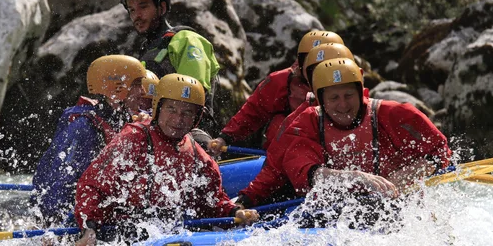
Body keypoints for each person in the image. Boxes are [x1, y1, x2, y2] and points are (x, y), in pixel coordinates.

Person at [235, 58, 451, 212]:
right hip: (338, 210)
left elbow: (441, 153)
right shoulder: (305, 123)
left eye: (349, 95)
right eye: (334, 98)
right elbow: (306, 173)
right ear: (320, 99)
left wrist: (402, 178)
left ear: (360, 92)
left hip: (399, 201)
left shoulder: (397, 114)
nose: (343, 105)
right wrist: (356, 178)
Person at [74, 74, 259, 245]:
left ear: (196, 118)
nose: (178, 119)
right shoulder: (133, 139)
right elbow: (91, 185)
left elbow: (213, 201)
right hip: (121, 230)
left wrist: (235, 212)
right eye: (171, 109)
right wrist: (89, 228)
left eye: (187, 112)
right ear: (157, 108)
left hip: (165, 231)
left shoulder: (197, 155)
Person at [31, 55, 146, 226]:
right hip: (76, 221)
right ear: (116, 87)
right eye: (136, 85)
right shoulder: (84, 127)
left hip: (105, 215)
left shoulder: (126, 121)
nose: (143, 92)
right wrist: (53, 226)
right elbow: (61, 182)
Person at [208, 30, 345, 154]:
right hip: (282, 154)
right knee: (279, 123)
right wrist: (224, 138)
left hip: (332, 151)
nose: (317, 71)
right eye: (311, 63)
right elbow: (252, 113)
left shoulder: (349, 85)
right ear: (301, 62)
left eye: (325, 64)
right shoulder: (280, 81)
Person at [120, 0, 221, 136]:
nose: (136, 15)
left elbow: (192, 94)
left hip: (189, 132)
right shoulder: (147, 51)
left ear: (162, 8)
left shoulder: (187, 40)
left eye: (143, 7)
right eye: (132, 10)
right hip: (154, 130)